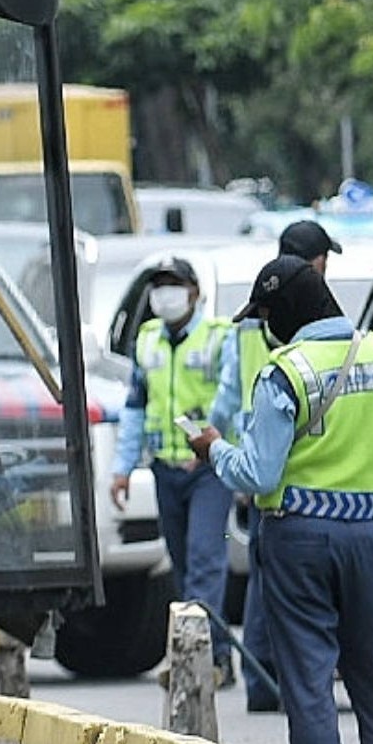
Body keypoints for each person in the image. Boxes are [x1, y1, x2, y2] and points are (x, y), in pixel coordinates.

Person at [194, 254, 373, 744]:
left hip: (296, 540)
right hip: (369, 539)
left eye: (266, 316)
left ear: (286, 312)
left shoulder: (284, 374)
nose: (266, 329)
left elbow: (259, 474)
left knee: (308, 687)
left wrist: (214, 449)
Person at [213, 215, 336, 714]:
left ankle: (265, 680)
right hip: (305, 472)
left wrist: (221, 451)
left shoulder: (249, 330)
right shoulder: (324, 332)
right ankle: (288, 680)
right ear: (315, 265)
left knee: (266, 578)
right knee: (290, 584)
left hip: (260, 464)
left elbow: (226, 397)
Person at [109, 257, 236, 685]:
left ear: (194, 292)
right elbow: (135, 406)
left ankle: (197, 661)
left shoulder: (218, 337)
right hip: (166, 467)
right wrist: (122, 469)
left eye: (174, 284)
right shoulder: (147, 340)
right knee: (181, 565)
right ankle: (216, 653)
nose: (165, 294)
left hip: (208, 467)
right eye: (159, 285)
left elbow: (230, 397)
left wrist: (207, 445)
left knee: (204, 558)